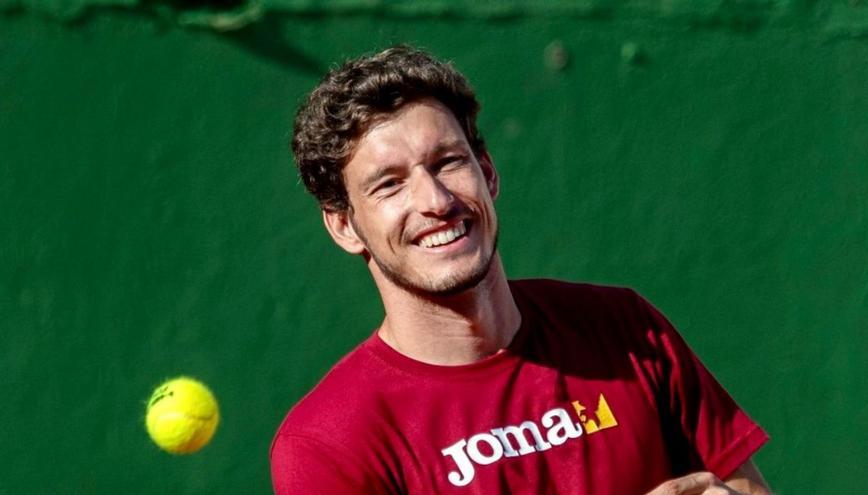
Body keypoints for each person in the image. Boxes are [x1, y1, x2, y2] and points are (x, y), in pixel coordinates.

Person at [270, 45, 771, 495]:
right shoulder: (328, 444)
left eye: (447, 162)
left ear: (487, 172)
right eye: (389, 185)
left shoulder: (624, 327)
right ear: (344, 226)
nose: (436, 200)